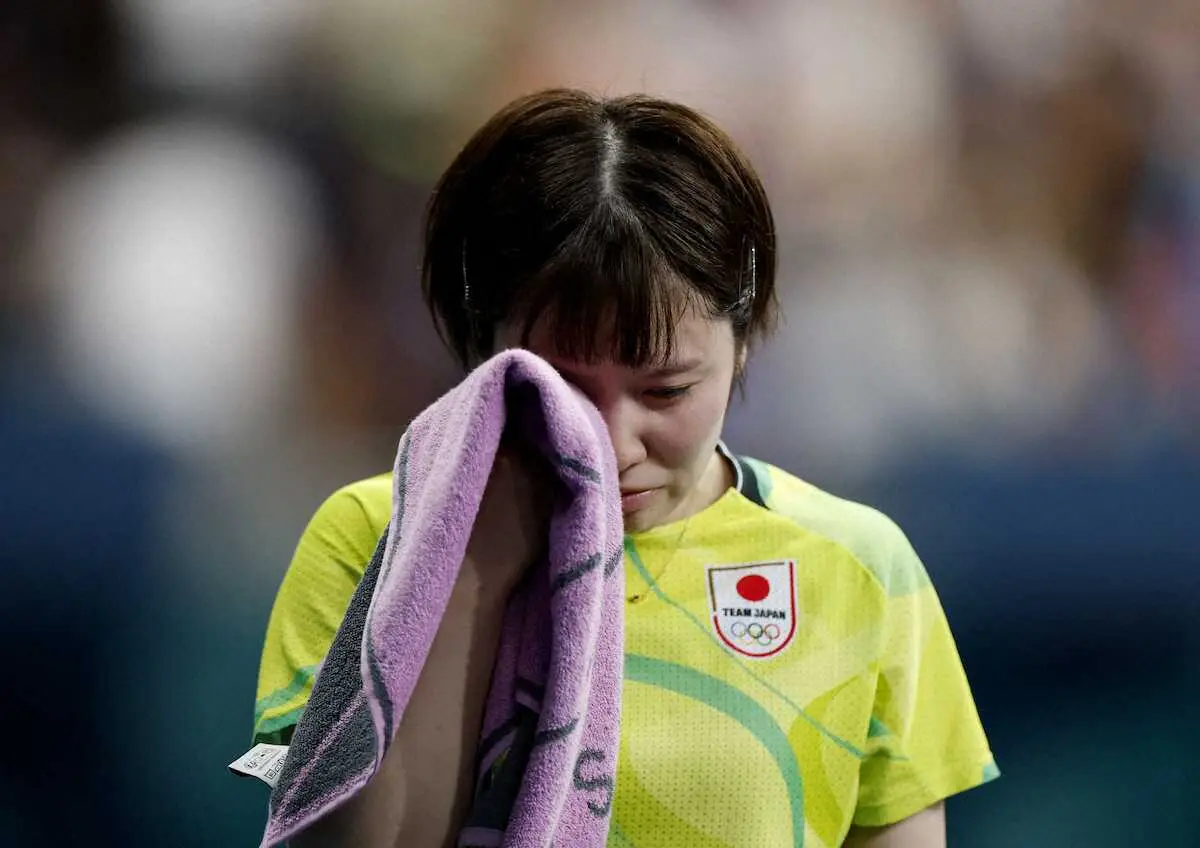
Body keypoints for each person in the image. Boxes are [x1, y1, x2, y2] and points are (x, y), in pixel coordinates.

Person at [251, 88, 999, 847]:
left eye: (666, 389)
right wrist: (470, 567)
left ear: (743, 342)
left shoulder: (861, 567)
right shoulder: (368, 539)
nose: (611, 445)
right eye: (565, 387)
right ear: (484, 346)